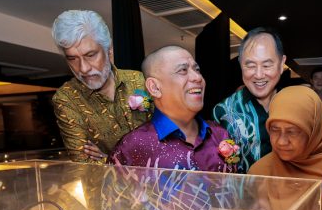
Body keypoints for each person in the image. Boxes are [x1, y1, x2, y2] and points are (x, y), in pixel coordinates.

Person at [86, 45, 236, 173]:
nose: (197, 77)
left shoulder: (219, 133)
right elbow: (114, 204)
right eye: (183, 70)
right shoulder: (132, 146)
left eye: (197, 70)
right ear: (155, 87)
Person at [51, 10, 150, 163]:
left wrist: (111, 160)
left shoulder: (140, 81)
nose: (83, 68)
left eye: (90, 55)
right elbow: (85, 165)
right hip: (106, 188)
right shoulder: (66, 99)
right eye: (72, 58)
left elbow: (167, 140)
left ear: (109, 51)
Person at [213, 27, 286, 173]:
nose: (259, 75)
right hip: (242, 195)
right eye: (250, 65)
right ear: (240, 64)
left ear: (282, 63)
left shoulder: (297, 106)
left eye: (267, 65)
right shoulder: (224, 111)